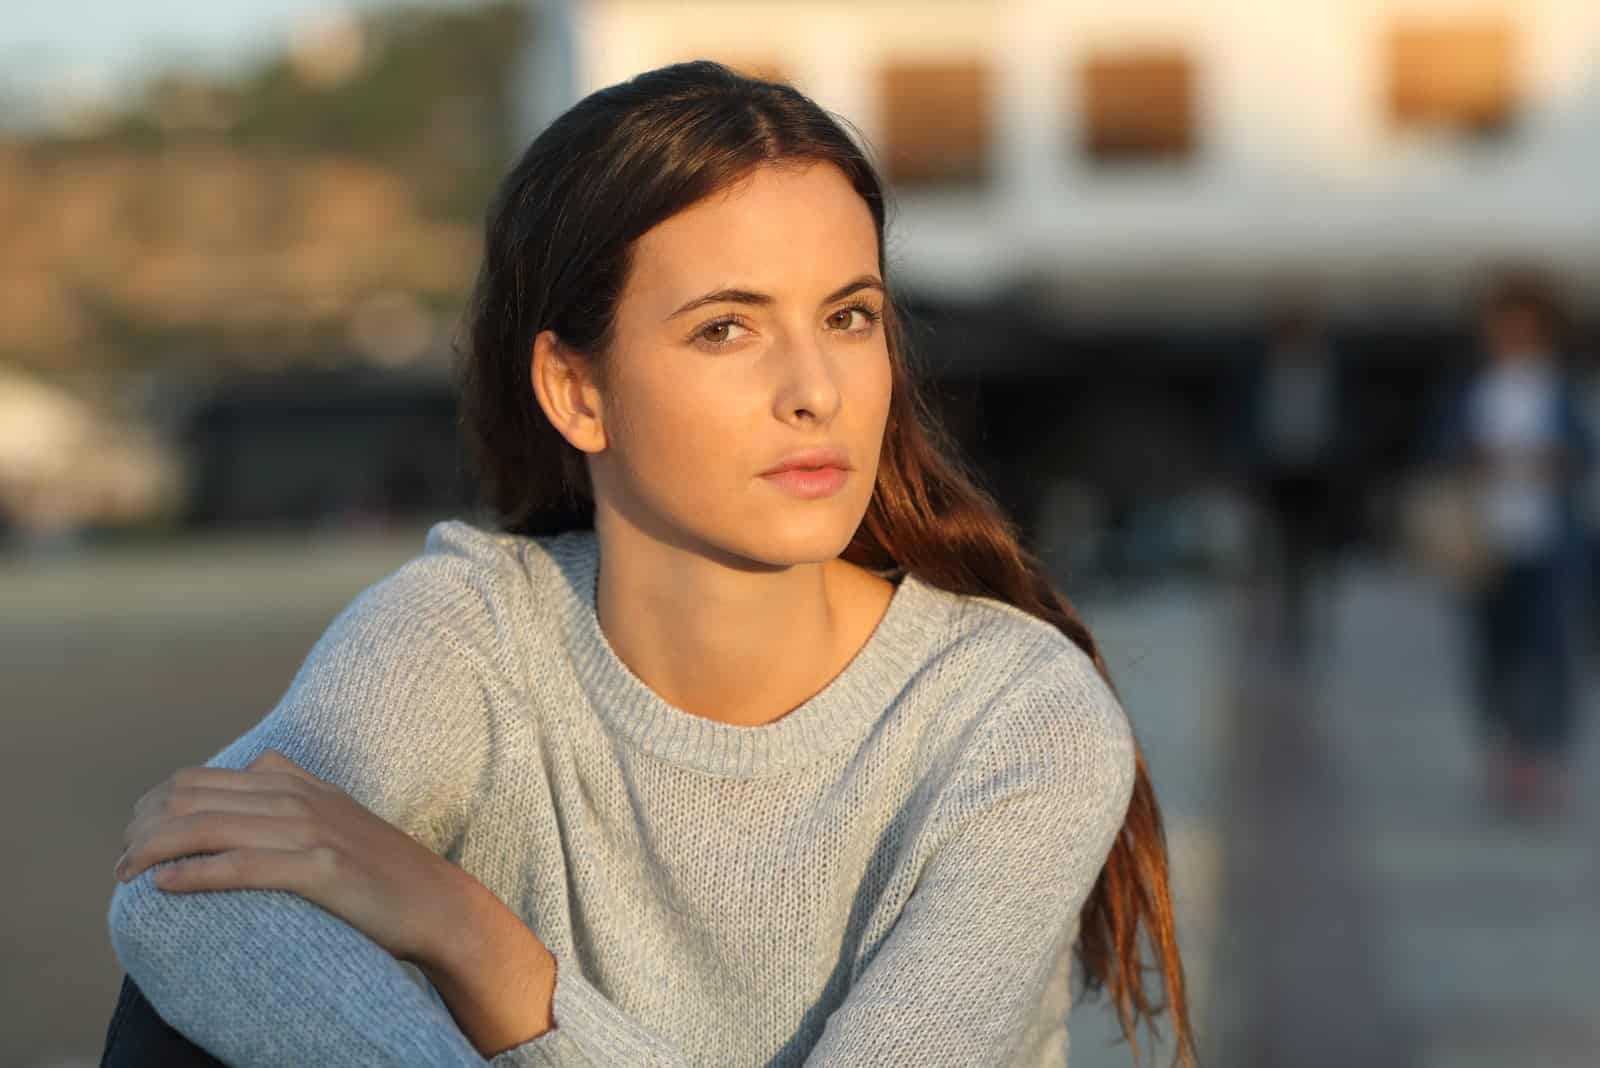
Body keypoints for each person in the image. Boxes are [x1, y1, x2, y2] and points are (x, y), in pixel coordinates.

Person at [103, 61, 1196, 1067]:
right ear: (577, 392)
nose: (816, 389)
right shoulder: (471, 632)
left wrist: (483, 951)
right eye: (727, 328)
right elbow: (182, 896)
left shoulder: (1010, 714)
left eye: (849, 316)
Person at [1423, 270, 1595, 822]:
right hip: (1487, 542)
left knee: (1549, 653)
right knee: (1491, 652)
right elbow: (1444, 449)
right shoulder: (1472, 388)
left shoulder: (1561, 387)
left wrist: (1544, 460)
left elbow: (1581, 454)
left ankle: (1546, 754)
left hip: (1547, 541)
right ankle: (1504, 750)